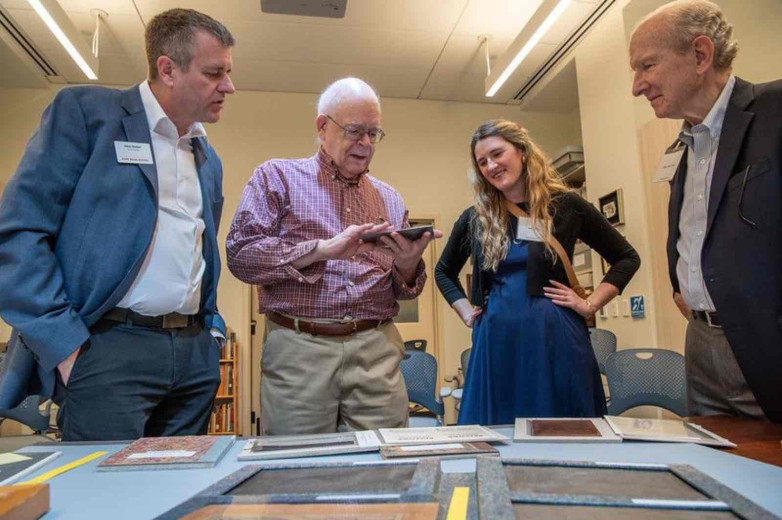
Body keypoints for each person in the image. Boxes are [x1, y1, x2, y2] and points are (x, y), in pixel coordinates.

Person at [0, 9, 235, 440]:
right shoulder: (87, 114)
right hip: (107, 349)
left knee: (180, 482)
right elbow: (18, 235)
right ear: (168, 69)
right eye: (213, 73)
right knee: (104, 482)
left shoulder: (207, 157)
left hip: (192, 356)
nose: (228, 86)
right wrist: (66, 347)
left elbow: (199, 249)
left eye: (228, 72)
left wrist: (212, 332)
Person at [226, 77, 440, 435]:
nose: (366, 143)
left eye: (373, 133)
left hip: (376, 348)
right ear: (322, 127)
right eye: (355, 131)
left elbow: (404, 290)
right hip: (299, 350)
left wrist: (407, 264)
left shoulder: (390, 198)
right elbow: (241, 255)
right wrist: (323, 250)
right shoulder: (276, 177)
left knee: (387, 458)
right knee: (299, 461)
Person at [630, 0, 782, 422]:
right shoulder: (682, 147)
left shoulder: (775, 110)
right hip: (699, 341)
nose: (637, 86)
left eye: (646, 66)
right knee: (712, 457)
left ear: (700, 55)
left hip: (765, 344)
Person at [435, 120, 640, 425]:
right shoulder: (476, 217)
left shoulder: (567, 205)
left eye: (497, 154)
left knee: (562, 428)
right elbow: (443, 271)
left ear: (521, 150)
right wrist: (466, 311)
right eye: (482, 162)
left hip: (556, 338)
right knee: (497, 432)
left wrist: (590, 304)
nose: (491, 166)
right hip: (496, 340)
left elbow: (626, 258)